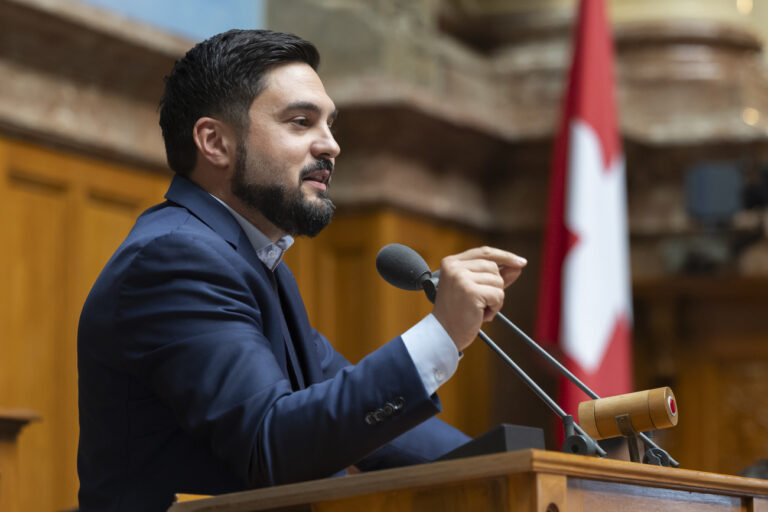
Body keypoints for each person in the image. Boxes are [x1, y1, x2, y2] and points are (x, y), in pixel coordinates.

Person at [77, 29, 527, 511]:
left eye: (331, 125)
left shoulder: (254, 261)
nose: (330, 145)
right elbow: (270, 443)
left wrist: (516, 470)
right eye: (300, 122)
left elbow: (351, 414)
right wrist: (441, 335)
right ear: (215, 142)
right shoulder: (175, 259)